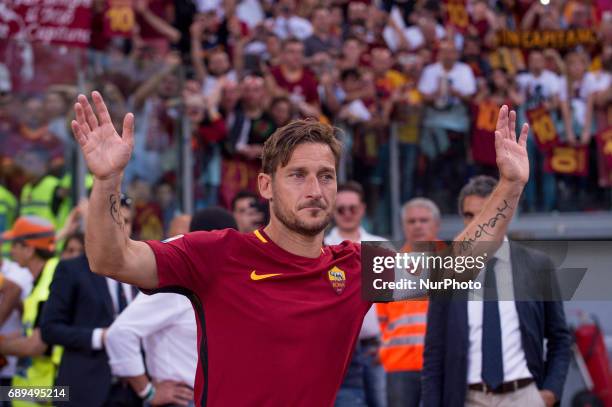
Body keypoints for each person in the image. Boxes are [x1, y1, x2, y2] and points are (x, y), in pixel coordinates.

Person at [70, 90, 529, 407]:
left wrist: (510, 184)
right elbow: (111, 258)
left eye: (325, 176)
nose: (315, 189)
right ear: (266, 185)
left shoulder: (356, 269)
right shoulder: (215, 254)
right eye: (298, 175)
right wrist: (107, 179)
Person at [422, 176, 572, 407]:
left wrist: (551, 392)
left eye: (485, 215)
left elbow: (560, 338)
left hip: (524, 396)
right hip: (468, 398)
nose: (476, 224)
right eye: (469, 215)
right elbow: (434, 352)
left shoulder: (537, 265)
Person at [105, 207, 237, 407]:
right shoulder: (177, 287)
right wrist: (148, 392)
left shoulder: (219, 283)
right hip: (182, 400)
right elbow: (120, 333)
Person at [40, 196, 139, 407]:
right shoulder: (72, 269)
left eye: (127, 221)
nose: (121, 227)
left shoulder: (142, 272)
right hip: (84, 391)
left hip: (134, 392)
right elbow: (49, 328)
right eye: (115, 220)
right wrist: (100, 337)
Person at [325, 181, 386, 407]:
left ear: (363, 209)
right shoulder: (322, 248)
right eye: (341, 209)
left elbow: (397, 302)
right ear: (332, 211)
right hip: (337, 351)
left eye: (353, 208)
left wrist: (387, 342)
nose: (348, 214)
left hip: (376, 347)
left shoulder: (380, 247)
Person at [377, 198, 441, 407]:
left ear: (436, 225)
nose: (417, 226)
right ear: (404, 226)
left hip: (441, 363)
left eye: (423, 220)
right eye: (411, 221)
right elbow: (382, 319)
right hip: (400, 365)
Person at [0, 216, 59, 407]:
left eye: (15, 245)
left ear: (29, 249)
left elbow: (35, 346)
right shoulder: (41, 280)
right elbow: (31, 331)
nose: (11, 251)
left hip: (46, 394)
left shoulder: (50, 284)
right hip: (31, 392)